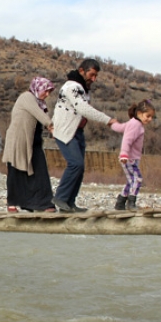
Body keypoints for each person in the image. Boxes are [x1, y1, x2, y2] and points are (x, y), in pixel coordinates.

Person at [52, 59, 117, 213]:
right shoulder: (71, 87)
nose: (93, 79)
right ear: (82, 71)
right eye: (91, 75)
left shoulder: (82, 88)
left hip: (77, 131)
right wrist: (107, 120)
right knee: (76, 164)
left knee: (80, 168)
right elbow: (83, 109)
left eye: (96, 76)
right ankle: (60, 197)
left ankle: (69, 203)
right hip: (65, 131)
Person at [2, 77, 56, 213]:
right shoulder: (26, 97)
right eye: (46, 91)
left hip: (33, 141)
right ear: (38, 88)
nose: (47, 95)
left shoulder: (41, 103)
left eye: (49, 92)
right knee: (16, 171)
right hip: (18, 140)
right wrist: (50, 126)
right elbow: (39, 115)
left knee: (40, 171)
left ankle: (44, 203)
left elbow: (45, 115)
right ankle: (12, 203)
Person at [110, 99, 156, 211]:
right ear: (139, 113)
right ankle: (131, 203)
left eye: (151, 117)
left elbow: (121, 128)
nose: (150, 119)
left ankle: (120, 203)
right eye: (148, 116)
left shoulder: (134, 123)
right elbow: (127, 140)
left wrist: (112, 124)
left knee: (131, 181)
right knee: (138, 179)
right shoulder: (135, 125)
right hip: (128, 158)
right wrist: (124, 154)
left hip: (132, 158)